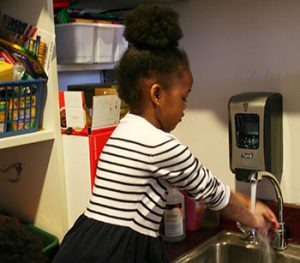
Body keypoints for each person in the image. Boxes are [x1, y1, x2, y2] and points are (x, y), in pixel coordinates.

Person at [53, 4, 279, 263]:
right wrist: (252, 217)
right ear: (157, 94)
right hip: (118, 250)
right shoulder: (160, 145)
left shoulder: (125, 129)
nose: (185, 108)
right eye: (184, 98)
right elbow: (213, 192)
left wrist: (252, 205)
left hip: (85, 241)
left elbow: (212, 186)